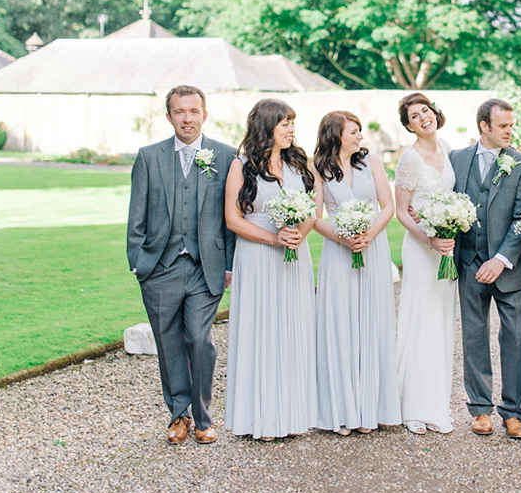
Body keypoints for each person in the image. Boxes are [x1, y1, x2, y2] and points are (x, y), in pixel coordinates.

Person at [127, 85, 236, 445]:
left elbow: (231, 217)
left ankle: (204, 416)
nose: (187, 118)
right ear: (169, 115)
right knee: (169, 343)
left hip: (208, 267)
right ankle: (179, 415)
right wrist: (139, 263)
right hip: (160, 268)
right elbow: (136, 217)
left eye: (193, 111)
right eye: (179, 111)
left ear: (205, 114)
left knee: (199, 339)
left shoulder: (226, 155)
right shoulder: (149, 156)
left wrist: (231, 264)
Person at [223, 99, 317, 440]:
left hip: (294, 254)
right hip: (257, 255)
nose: (292, 129)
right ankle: (258, 418)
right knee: (260, 330)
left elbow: (311, 209)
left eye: (293, 122)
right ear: (267, 127)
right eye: (285, 123)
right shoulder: (242, 165)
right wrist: (273, 239)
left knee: (293, 329)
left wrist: (296, 235)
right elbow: (233, 219)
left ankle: (291, 415)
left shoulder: (297, 163)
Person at [450, 98, 521, 438]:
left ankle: (514, 412)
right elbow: (447, 204)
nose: (509, 131)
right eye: (503, 126)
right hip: (469, 262)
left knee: (514, 336)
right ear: (484, 126)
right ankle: (479, 409)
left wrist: (500, 259)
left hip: (509, 269)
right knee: (474, 335)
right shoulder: (457, 159)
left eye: (511, 126)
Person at [312, 111, 400, 435]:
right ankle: (343, 411)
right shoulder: (318, 168)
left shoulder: (372, 162)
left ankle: (371, 409)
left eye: (360, 131)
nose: (360, 137)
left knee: (372, 322)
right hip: (338, 254)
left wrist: (369, 235)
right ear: (335, 134)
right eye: (354, 131)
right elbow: (315, 217)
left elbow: (387, 206)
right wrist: (342, 237)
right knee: (341, 324)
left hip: (372, 251)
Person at [393, 93, 457, 435]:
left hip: (446, 248)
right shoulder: (410, 159)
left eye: (425, 111)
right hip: (421, 250)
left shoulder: (447, 148)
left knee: (441, 324)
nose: (423, 118)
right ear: (409, 126)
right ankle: (413, 408)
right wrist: (428, 238)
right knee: (421, 321)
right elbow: (402, 211)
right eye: (415, 117)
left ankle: (437, 405)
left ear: (435, 113)